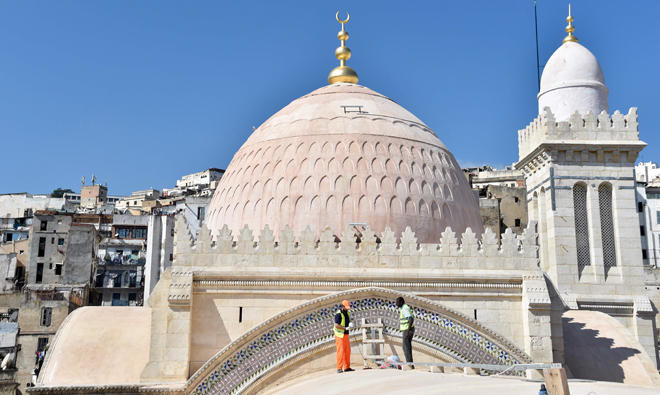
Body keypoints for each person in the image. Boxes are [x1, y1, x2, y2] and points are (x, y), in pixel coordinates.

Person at [334, 299, 354, 373]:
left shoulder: (348, 313)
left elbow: (347, 321)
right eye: (346, 307)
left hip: (346, 334)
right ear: (342, 306)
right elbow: (336, 325)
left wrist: (350, 325)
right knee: (340, 351)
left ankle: (347, 367)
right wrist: (345, 328)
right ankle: (339, 368)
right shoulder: (338, 313)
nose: (347, 308)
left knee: (347, 351)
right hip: (339, 335)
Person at [396, 296, 415, 369]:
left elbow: (411, 319)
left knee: (406, 347)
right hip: (407, 329)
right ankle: (410, 364)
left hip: (407, 330)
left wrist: (408, 330)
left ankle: (410, 364)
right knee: (406, 347)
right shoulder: (403, 308)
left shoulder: (405, 308)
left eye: (397, 302)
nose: (396, 304)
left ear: (401, 302)